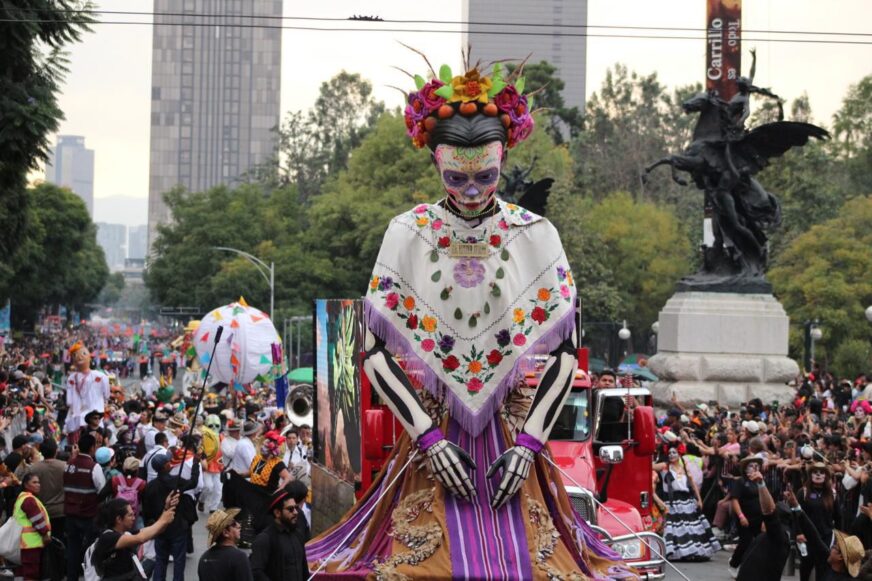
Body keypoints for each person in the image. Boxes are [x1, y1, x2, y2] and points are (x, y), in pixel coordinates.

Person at [306, 61, 631, 578]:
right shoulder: (408, 231)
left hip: (515, 437)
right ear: (436, 163)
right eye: (456, 177)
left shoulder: (536, 234)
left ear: (504, 161)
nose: (474, 191)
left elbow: (568, 352)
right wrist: (429, 440)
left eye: (487, 176)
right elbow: (371, 353)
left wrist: (527, 446)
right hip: (435, 436)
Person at [90, 491, 180, 581]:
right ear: (119, 519)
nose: (134, 517)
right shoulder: (108, 537)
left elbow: (154, 530)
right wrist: (164, 519)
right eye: (130, 515)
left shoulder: (125, 534)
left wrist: (167, 509)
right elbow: (141, 538)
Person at [142, 452, 201, 581]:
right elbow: (193, 482)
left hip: (159, 528)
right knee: (179, 562)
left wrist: (151, 526)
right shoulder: (176, 481)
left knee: (160, 560)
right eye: (168, 462)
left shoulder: (150, 487)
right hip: (177, 528)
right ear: (166, 466)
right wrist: (196, 464)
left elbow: (146, 510)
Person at [655, 443, 720, 561]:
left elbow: (693, 484)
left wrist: (699, 499)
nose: (671, 455)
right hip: (671, 501)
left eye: (674, 452)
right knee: (674, 528)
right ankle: (677, 553)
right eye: (669, 453)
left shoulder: (684, 468)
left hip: (687, 500)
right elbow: (650, 467)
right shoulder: (664, 466)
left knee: (691, 527)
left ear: (679, 453)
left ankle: (694, 552)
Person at [786, 490, 867, 580]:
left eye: (835, 547)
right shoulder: (829, 563)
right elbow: (814, 536)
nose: (831, 547)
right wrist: (796, 506)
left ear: (840, 557)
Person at [735, 465, 791, 581]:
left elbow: (769, 511)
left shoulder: (778, 538)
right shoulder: (766, 537)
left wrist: (761, 484)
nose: (763, 520)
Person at [63, 433, 105, 581]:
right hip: (88, 515)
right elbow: (102, 489)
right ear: (93, 448)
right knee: (91, 550)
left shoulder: (69, 464)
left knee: (72, 549)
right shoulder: (94, 467)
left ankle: (72, 578)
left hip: (70, 513)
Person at [250, 488, 308, 581]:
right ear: (277, 513)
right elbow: (256, 571)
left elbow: (303, 567)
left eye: (296, 508)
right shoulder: (265, 539)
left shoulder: (298, 535)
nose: (296, 512)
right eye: (290, 509)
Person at [798, 462, 841, 581]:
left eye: (822, 472)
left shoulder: (833, 494)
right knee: (806, 566)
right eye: (815, 472)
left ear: (826, 476)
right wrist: (798, 533)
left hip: (826, 537)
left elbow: (838, 518)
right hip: (807, 537)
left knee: (823, 568)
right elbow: (795, 515)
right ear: (810, 474)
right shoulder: (803, 492)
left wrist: (839, 539)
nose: (818, 475)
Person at [63, 342, 109, 445]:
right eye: (75, 355)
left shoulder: (101, 377)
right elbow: (70, 401)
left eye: (83, 353)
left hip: (89, 421)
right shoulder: (72, 378)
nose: (79, 357)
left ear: (90, 357)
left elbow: (69, 402)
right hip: (81, 421)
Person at [728, 456, 766, 576]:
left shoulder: (761, 482)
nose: (754, 468)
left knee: (759, 544)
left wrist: (766, 519)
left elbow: (766, 500)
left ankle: (751, 568)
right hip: (745, 517)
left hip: (759, 518)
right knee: (746, 542)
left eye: (757, 466)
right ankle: (734, 563)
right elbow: (734, 500)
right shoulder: (741, 482)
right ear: (745, 469)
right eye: (751, 465)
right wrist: (740, 516)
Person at [14, 473, 51, 581]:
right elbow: (37, 519)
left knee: (22, 573)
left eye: (38, 482)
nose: (38, 485)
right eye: (34, 482)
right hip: (31, 544)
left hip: (24, 544)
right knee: (31, 574)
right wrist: (45, 534)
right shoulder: (29, 500)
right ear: (26, 484)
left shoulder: (22, 497)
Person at [198, 508, 252, 581]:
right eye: (233, 524)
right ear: (225, 533)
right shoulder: (239, 557)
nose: (239, 525)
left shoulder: (204, 557)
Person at [28, 438, 65, 540]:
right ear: (56, 450)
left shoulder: (34, 468)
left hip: (41, 512)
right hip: (61, 511)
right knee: (59, 541)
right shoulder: (64, 466)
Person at [200, 414, 223, 514]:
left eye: (216, 425)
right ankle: (201, 500)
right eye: (210, 426)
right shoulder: (204, 437)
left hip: (218, 466)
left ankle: (213, 508)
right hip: (207, 465)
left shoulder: (222, 437)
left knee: (218, 489)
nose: (214, 428)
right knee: (208, 487)